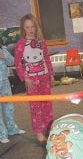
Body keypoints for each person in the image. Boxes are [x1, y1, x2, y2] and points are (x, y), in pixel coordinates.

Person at [15, 14, 55, 143]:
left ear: (36, 28)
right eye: (27, 27)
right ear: (23, 29)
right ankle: (39, 132)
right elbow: (18, 63)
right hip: (31, 82)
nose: (31, 29)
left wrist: (51, 75)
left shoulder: (41, 42)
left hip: (44, 79)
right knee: (36, 107)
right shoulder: (21, 44)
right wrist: (25, 78)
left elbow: (47, 59)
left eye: (32, 27)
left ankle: (49, 127)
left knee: (47, 104)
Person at [0, 26, 25, 144]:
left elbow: (12, 61)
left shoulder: (1, 48)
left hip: (4, 82)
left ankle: (12, 129)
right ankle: (2, 134)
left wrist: (4, 56)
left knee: (9, 107)